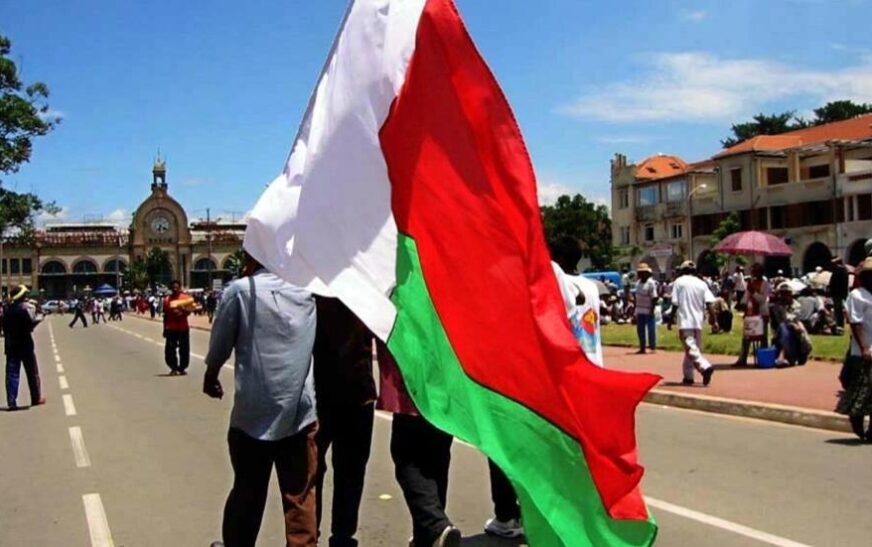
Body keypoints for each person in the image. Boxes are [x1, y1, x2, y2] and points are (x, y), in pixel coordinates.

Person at [203, 251, 319, 546]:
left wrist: (211, 375)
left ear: (252, 258)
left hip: (252, 415)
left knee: (247, 490)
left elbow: (220, 343)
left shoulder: (240, 291)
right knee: (300, 496)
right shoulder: (307, 291)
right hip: (299, 413)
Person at [377, 342, 460, 547]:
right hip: (445, 372)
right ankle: (428, 536)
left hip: (413, 371)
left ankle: (435, 526)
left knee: (407, 458)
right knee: (436, 455)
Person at [312, 297, 376, 547]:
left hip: (320, 396)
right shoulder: (362, 294)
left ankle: (311, 534)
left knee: (312, 471)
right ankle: (341, 535)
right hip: (355, 393)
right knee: (349, 472)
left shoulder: (310, 293)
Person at [836, 257, 872, 441]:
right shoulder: (857, 296)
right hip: (863, 352)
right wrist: (864, 347)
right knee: (861, 391)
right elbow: (855, 323)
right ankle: (856, 419)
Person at [671, 261, 715, 386]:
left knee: (691, 349)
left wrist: (670, 319)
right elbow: (709, 302)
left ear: (683, 270)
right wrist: (714, 319)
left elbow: (675, 303)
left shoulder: (679, 282)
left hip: (685, 320)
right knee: (692, 349)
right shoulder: (701, 283)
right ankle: (688, 376)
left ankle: (705, 367)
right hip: (698, 321)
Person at [5, 285, 45, 410]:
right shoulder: (23, 311)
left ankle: (12, 401)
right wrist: (39, 320)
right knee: (32, 372)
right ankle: (35, 398)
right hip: (25, 345)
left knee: (12, 374)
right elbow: (29, 326)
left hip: (11, 345)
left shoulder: (7, 310)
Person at [734, 263, 771, 367]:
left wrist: (753, 291)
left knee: (763, 337)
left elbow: (762, 300)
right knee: (746, 336)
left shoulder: (765, 284)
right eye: (753, 271)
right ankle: (742, 359)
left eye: (755, 271)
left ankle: (763, 359)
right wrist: (741, 303)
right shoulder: (751, 283)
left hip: (761, 314)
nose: (753, 273)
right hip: (750, 314)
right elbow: (746, 297)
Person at [770, 284, 811, 367]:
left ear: (791, 294)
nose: (784, 296)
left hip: (796, 330)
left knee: (794, 328)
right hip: (781, 330)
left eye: (786, 293)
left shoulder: (797, 305)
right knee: (783, 327)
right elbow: (781, 320)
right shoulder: (777, 306)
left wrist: (793, 324)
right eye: (782, 294)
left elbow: (795, 318)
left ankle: (785, 354)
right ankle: (783, 355)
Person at [163, 281, 191, 376]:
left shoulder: (185, 298)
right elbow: (165, 315)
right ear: (171, 288)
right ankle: (173, 367)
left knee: (184, 349)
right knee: (170, 350)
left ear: (179, 288)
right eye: (173, 287)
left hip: (183, 328)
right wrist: (165, 329)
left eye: (177, 287)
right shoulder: (167, 300)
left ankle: (182, 367)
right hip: (171, 328)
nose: (175, 289)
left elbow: (190, 310)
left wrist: (182, 311)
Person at [633, 263, 658, 354]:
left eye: (642, 272)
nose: (640, 274)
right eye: (639, 272)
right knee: (640, 330)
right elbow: (636, 297)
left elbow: (655, 298)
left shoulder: (651, 283)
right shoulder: (638, 283)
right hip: (640, 310)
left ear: (646, 273)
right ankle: (642, 347)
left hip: (648, 310)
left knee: (651, 329)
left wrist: (651, 310)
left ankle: (652, 347)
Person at [830, 257, 849, 334]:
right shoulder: (843, 270)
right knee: (840, 311)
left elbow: (835, 283)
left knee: (838, 311)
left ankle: (840, 326)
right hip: (841, 293)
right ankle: (840, 325)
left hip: (837, 294)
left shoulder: (839, 270)